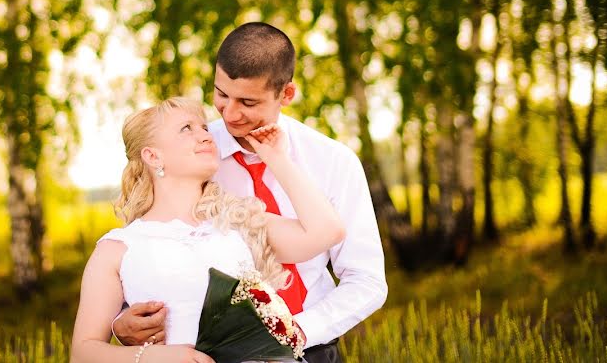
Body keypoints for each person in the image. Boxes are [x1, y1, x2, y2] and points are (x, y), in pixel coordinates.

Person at [114, 23, 388, 363]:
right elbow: (153, 246)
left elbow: (366, 279)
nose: (229, 114)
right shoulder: (193, 153)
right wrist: (120, 321)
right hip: (213, 354)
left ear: (286, 94)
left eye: (247, 101)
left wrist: (295, 331)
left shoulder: (334, 161)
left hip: (312, 349)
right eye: (221, 95)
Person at [70, 97, 345, 363]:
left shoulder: (238, 221)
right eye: (186, 128)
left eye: (203, 127)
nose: (205, 136)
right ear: (153, 156)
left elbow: (327, 232)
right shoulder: (117, 249)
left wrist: (277, 157)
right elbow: (83, 353)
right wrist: (153, 357)